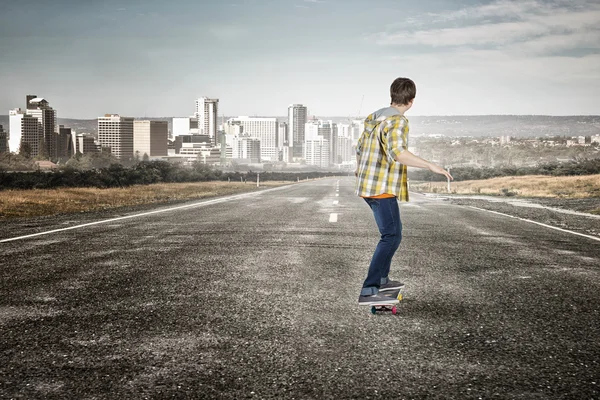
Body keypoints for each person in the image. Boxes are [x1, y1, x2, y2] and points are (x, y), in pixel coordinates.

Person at [355, 77, 453, 306]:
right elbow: (398, 152)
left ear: (392, 95)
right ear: (411, 100)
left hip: (369, 185)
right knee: (391, 236)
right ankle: (370, 289)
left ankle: (382, 279)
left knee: (394, 233)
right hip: (381, 187)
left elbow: (359, 148)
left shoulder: (374, 118)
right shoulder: (397, 121)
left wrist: (359, 170)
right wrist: (431, 165)